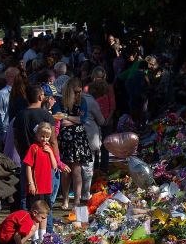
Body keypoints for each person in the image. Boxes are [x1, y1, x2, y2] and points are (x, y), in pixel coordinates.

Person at [13, 85, 66, 209]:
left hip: (26, 159)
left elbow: (16, 140)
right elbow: (53, 140)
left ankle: (25, 226)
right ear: (40, 96)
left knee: (26, 195)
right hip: (45, 161)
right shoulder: (46, 115)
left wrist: (22, 155)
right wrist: (56, 159)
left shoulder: (20, 115)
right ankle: (46, 226)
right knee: (46, 197)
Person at [54, 77, 94, 209]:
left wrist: (67, 117)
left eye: (79, 91)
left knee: (77, 170)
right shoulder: (60, 102)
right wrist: (72, 119)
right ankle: (65, 199)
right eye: (75, 91)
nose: (78, 94)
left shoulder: (82, 101)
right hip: (65, 139)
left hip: (77, 139)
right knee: (65, 171)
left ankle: (76, 200)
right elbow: (57, 118)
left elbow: (82, 119)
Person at [23, 122, 57, 214]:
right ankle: (35, 228)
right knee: (35, 211)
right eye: (42, 136)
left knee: (45, 211)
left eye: (47, 137)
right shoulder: (34, 147)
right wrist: (31, 183)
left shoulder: (49, 148)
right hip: (36, 186)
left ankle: (43, 229)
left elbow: (54, 166)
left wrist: (50, 152)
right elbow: (28, 166)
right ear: (37, 135)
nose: (44, 139)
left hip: (46, 186)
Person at [87, 66, 116, 171]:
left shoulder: (109, 87)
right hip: (94, 121)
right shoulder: (88, 88)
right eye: (97, 77)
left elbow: (112, 105)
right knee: (94, 145)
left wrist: (108, 119)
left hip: (105, 120)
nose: (99, 80)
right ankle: (94, 168)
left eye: (100, 77)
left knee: (105, 145)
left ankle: (103, 168)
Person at [0, 66, 21, 145]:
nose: (20, 79)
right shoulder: (2, 94)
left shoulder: (21, 93)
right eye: (18, 77)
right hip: (7, 136)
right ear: (9, 78)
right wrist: (3, 138)